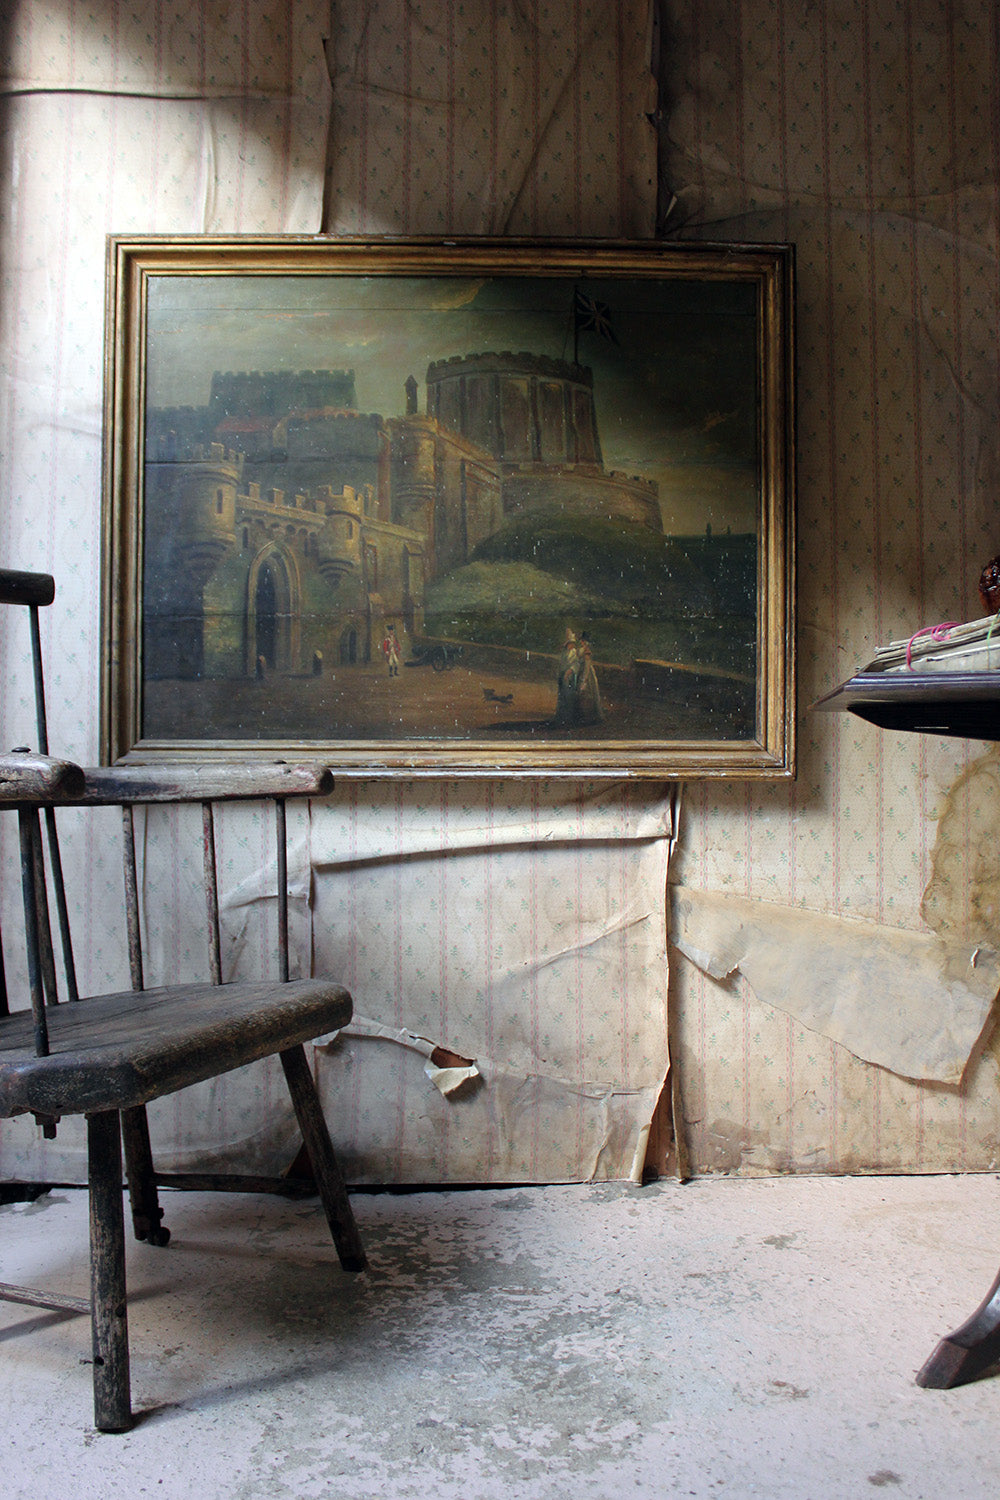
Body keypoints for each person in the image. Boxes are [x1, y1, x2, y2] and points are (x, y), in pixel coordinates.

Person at [554, 628, 580, 724]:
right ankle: (561, 716)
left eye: (571, 644)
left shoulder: (574, 652)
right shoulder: (564, 653)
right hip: (563, 675)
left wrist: (569, 671)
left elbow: (576, 664)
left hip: (569, 676)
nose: (570, 645)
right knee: (562, 696)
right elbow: (561, 663)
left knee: (568, 695)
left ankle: (568, 717)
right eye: (569, 644)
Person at [576, 632, 603, 724]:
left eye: (583, 640)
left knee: (587, 694)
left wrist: (584, 680)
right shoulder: (581, 650)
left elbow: (587, 666)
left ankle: (589, 718)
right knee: (581, 695)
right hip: (581, 672)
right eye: (581, 640)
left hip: (587, 674)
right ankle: (581, 716)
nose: (582, 642)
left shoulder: (586, 651)